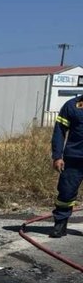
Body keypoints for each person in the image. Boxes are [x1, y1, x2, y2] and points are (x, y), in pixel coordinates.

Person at [50, 93, 83, 238]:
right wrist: (57, 156)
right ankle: (60, 224)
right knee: (66, 193)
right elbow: (59, 131)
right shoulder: (72, 106)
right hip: (73, 159)